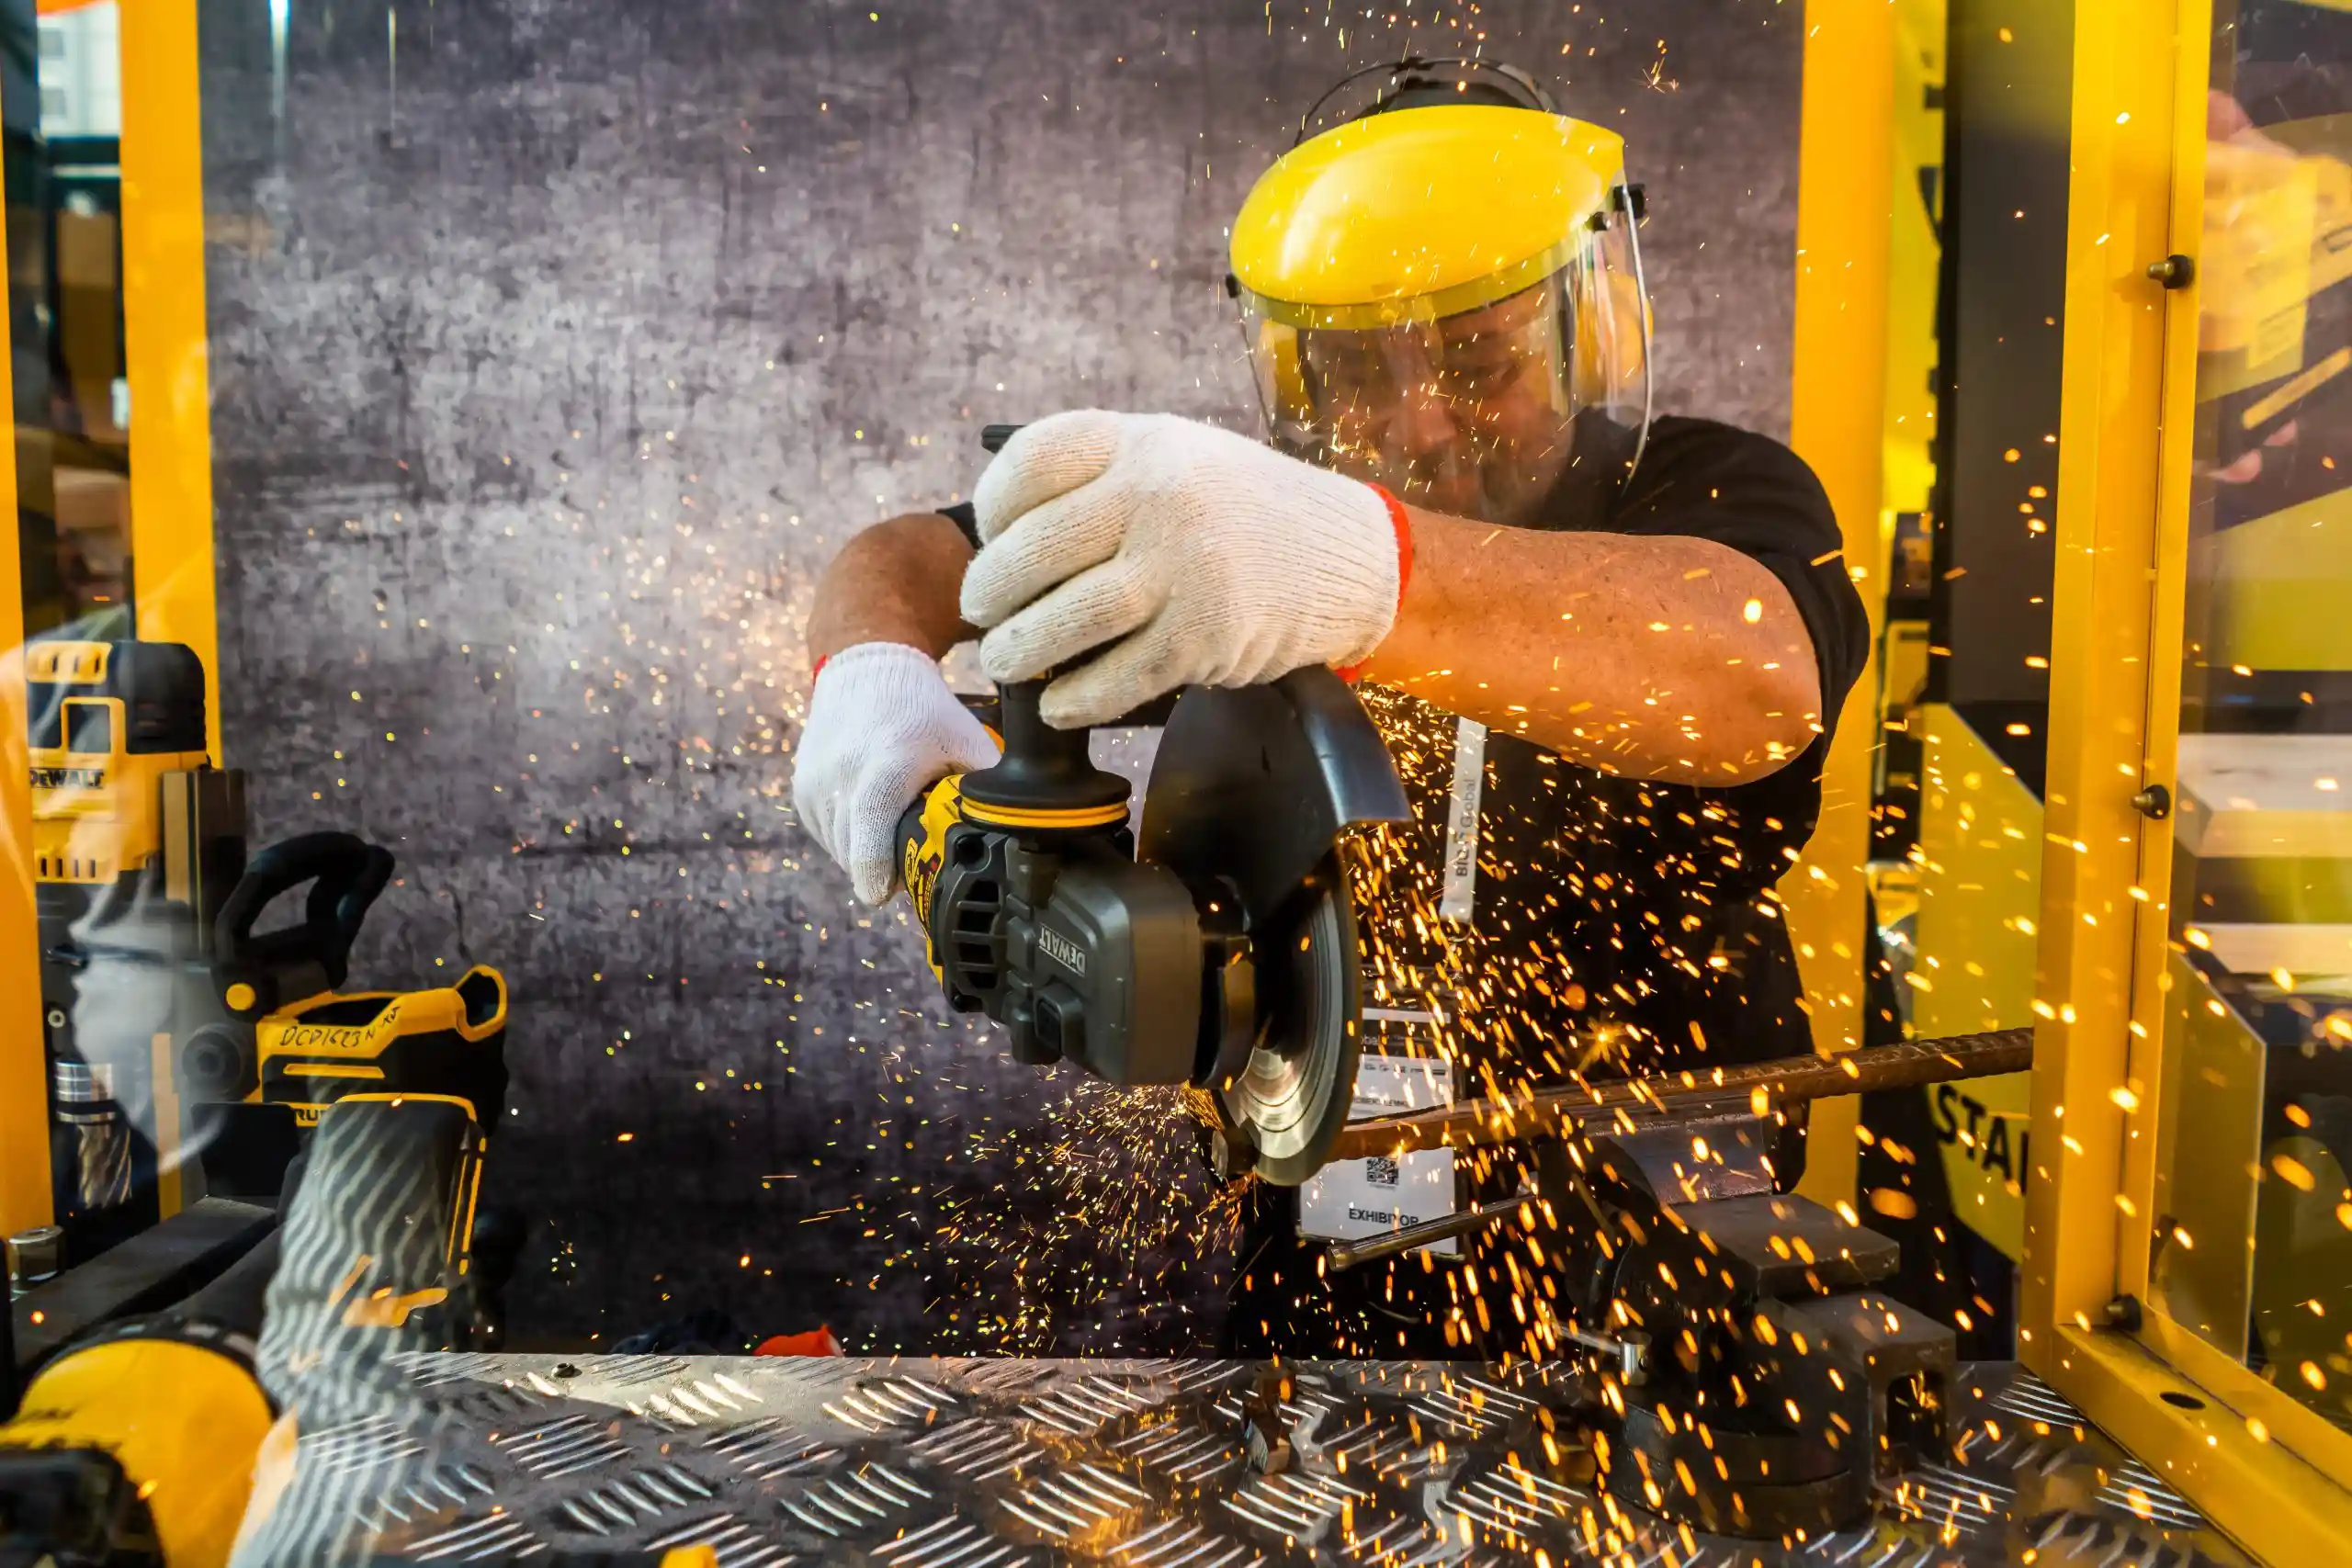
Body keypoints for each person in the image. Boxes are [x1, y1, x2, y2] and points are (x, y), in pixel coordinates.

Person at [792, 62, 1869, 1358]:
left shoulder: (1699, 490)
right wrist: (873, 687)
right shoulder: (1230, 515)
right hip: (1321, 1242)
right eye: (1360, 372)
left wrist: (1362, 574)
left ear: (1586, 320)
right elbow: (906, 558)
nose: (1417, 419)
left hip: (1672, 1254)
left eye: (1477, 356)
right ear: (1297, 371)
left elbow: (1754, 675)